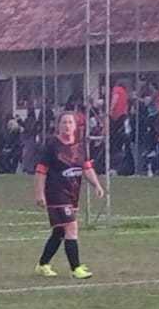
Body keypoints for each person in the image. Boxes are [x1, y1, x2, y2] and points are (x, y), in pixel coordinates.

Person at [33, 111, 105, 280]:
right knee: (71, 227)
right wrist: (39, 193)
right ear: (58, 125)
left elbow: (87, 168)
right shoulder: (51, 146)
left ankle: (43, 264)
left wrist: (97, 185)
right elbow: (41, 171)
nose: (67, 126)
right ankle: (76, 268)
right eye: (64, 122)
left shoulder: (80, 146)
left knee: (59, 231)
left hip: (72, 193)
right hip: (56, 194)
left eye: (70, 122)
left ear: (75, 126)